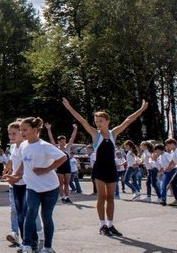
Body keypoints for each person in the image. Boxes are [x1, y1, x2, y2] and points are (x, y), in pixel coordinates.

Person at [63, 98, 148, 236]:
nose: (98, 124)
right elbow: (82, 120)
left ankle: (110, 224)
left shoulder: (113, 133)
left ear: (108, 121)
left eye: (101, 121)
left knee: (111, 198)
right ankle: (102, 225)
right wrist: (69, 107)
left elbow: (128, 120)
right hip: (99, 169)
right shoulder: (95, 134)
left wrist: (142, 109)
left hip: (111, 169)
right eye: (96, 122)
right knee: (101, 197)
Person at [6, 117, 67, 253]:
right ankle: (27, 247)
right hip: (32, 187)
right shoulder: (23, 146)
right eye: (21, 130)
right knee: (30, 213)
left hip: (49, 188)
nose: (22, 132)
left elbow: (63, 157)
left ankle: (47, 247)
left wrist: (47, 169)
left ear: (34, 130)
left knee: (46, 216)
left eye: (24, 130)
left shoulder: (44, 145)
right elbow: (22, 164)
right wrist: (16, 176)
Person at [46, 122, 78, 203]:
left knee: (66, 183)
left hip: (67, 167)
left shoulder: (67, 148)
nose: (63, 143)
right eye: (61, 141)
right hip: (59, 167)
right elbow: (51, 139)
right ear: (59, 142)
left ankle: (67, 197)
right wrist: (49, 129)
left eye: (64, 141)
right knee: (60, 183)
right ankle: (62, 197)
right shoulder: (56, 148)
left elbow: (72, 138)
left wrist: (75, 129)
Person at [157, 139, 177, 206]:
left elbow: (174, 161)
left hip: (173, 171)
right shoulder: (172, 152)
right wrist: (164, 170)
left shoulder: (171, 153)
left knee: (173, 184)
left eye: (168, 145)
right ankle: (163, 199)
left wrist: (170, 168)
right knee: (165, 184)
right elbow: (172, 161)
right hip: (167, 172)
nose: (167, 147)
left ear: (172, 144)